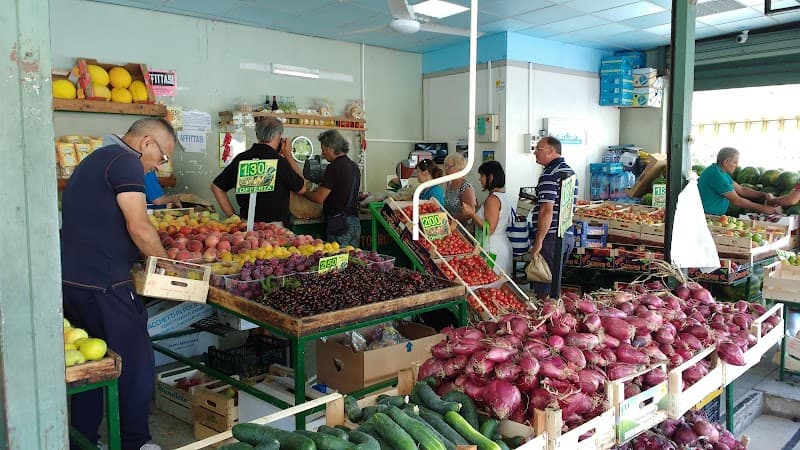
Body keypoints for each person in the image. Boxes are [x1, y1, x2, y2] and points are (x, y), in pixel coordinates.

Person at [61, 118, 178, 450]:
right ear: (146, 144)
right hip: (106, 283)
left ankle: (83, 440)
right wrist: (168, 266)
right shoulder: (126, 162)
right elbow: (139, 226)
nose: (157, 167)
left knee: (93, 365)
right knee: (136, 363)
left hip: (72, 282)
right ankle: (135, 442)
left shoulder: (96, 159)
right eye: (162, 157)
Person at [210, 117, 305, 227]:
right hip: (275, 228)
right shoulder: (280, 162)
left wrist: (233, 217)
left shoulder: (241, 158)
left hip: (246, 225)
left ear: (257, 134)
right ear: (279, 136)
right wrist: (288, 155)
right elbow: (301, 189)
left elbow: (216, 187)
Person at [529, 137, 578, 300]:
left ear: (551, 151)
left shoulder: (549, 174)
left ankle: (544, 320)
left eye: (539, 149)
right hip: (566, 235)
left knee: (543, 287)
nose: (535, 152)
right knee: (553, 284)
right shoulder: (569, 172)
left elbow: (546, 210)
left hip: (550, 238)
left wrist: (538, 242)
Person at [304, 130, 361, 247]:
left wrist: (304, 191)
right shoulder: (354, 166)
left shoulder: (333, 167)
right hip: (355, 222)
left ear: (330, 148)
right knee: (353, 260)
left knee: (338, 260)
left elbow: (320, 198)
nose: (323, 153)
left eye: (323, 149)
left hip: (339, 223)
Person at [461, 161, 513, 275]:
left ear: (490, 177)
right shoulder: (504, 196)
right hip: (500, 245)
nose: (480, 180)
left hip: (492, 248)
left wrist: (472, 214)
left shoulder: (493, 199)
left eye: (482, 176)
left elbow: (489, 229)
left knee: (492, 285)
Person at [698, 147, 778, 215]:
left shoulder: (718, 171)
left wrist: (763, 195)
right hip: (708, 216)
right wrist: (763, 208)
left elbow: (741, 190)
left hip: (711, 214)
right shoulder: (717, 176)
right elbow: (737, 200)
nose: (737, 165)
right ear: (726, 162)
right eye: (735, 162)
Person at [443, 153, 477, 229]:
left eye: (448, 166)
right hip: (449, 227)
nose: (445, 169)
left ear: (459, 168)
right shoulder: (449, 184)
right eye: (445, 166)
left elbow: (470, 213)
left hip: (462, 230)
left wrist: (451, 218)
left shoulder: (465, 187)